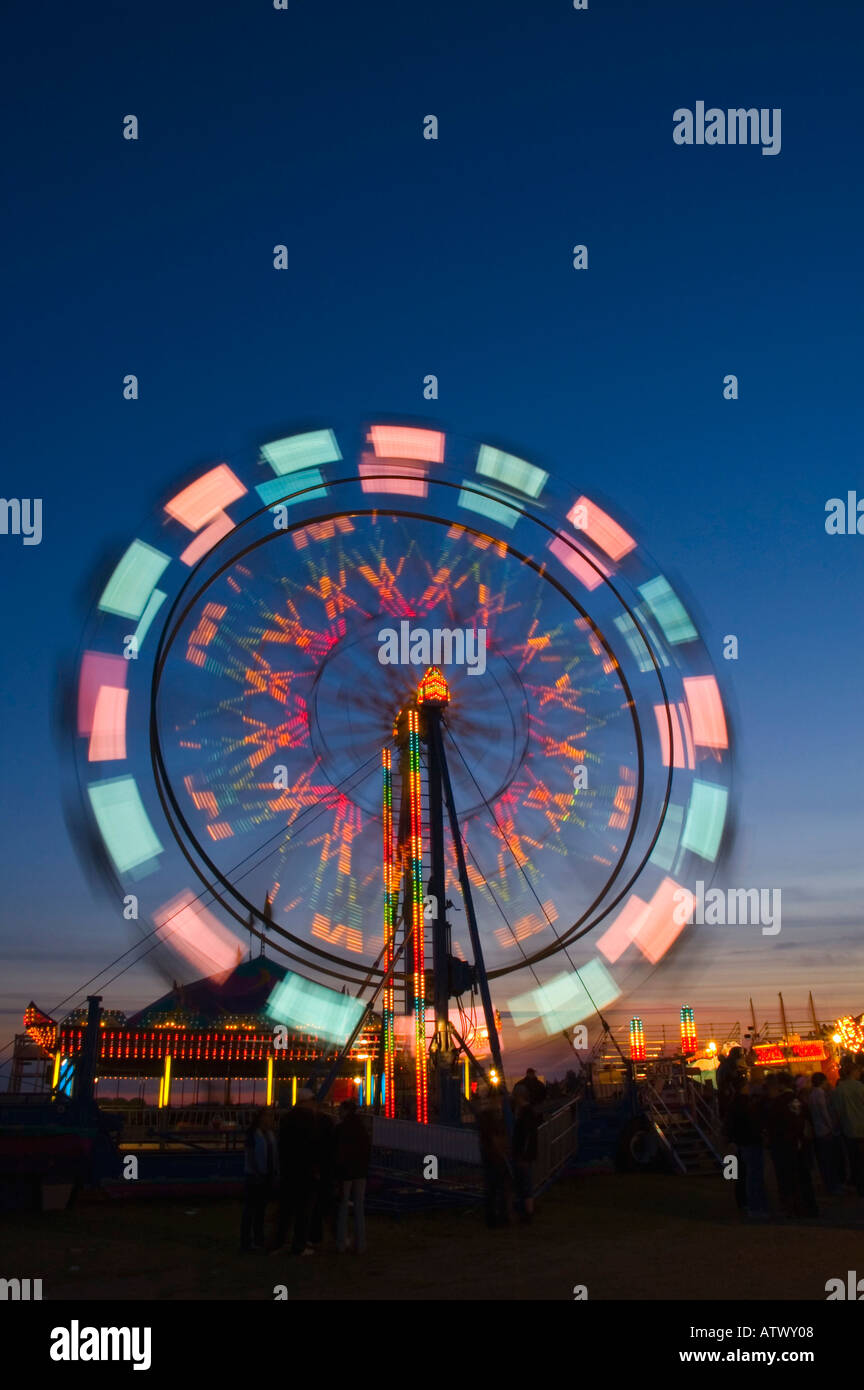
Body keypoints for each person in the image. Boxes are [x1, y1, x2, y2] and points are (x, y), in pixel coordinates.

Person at [273, 1089, 320, 1255]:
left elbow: (281, 1144)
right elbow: (314, 1146)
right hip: (305, 1171)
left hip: (288, 1169)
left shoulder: (286, 1119)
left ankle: (278, 1243)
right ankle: (298, 1245)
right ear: (306, 1102)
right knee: (303, 1211)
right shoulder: (310, 1120)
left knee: (285, 1210)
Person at [766, 1072, 818, 1218]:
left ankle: (794, 1207)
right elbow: (808, 1120)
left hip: (785, 1145)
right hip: (801, 1143)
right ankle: (809, 1205)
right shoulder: (799, 1101)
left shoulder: (778, 1103)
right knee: (804, 1176)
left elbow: (772, 1125)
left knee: (788, 1177)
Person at [725, 1075, 769, 1217]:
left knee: (739, 1174)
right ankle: (754, 1206)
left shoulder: (733, 1103)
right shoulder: (746, 1104)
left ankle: (744, 1202)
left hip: (739, 1142)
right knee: (752, 1174)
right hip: (749, 1141)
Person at [335, 1099, 371, 1254]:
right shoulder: (362, 1129)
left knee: (343, 1206)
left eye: (340, 1110)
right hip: (361, 1172)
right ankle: (361, 1244)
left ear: (346, 1111)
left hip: (345, 1173)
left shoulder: (340, 1129)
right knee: (359, 1207)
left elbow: (337, 1152)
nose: (338, 1113)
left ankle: (341, 1243)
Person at [474, 1085, 512, 1228]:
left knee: (492, 1188)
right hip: (494, 1156)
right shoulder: (492, 1116)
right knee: (498, 1187)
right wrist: (502, 1150)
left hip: (490, 1155)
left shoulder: (487, 1115)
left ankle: (494, 1218)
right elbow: (494, 1137)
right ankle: (499, 1218)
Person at [241, 1108, 278, 1251]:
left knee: (260, 1210)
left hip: (266, 1175)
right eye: (268, 1116)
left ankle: (258, 1239)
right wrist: (256, 1171)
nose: (270, 1119)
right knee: (250, 1210)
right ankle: (247, 1242)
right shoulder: (253, 1134)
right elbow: (250, 1156)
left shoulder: (269, 1134)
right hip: (255, 1177)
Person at [832, 1059, 864, 1195]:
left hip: (848, 1129)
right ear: (853, 1072)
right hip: (862, 1126)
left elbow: (837, 1112)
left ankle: (859, 1185)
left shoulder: (838, 1090)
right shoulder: (860, 1087)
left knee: (854, 1159)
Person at [808, 1071, 840, 1195]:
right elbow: (824, 1111)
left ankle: (829, 1184)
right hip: (825, 1131)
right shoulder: (820, 1094)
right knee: (829, 1159)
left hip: (818, 1129)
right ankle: (832, 1186)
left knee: (824, 1159)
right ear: (823, 1081)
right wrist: (831, 1125)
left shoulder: (812, 1094)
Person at [511, 1083, 539, 1221]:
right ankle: (527, 1212)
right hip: (524, 1154)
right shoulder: (527, 1111)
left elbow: (526, 1135)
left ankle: (528, 1213)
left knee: (525, 1183)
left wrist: (523, 1154)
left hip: (523, 1155)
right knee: (524, 1183)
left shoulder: (525, 1113)